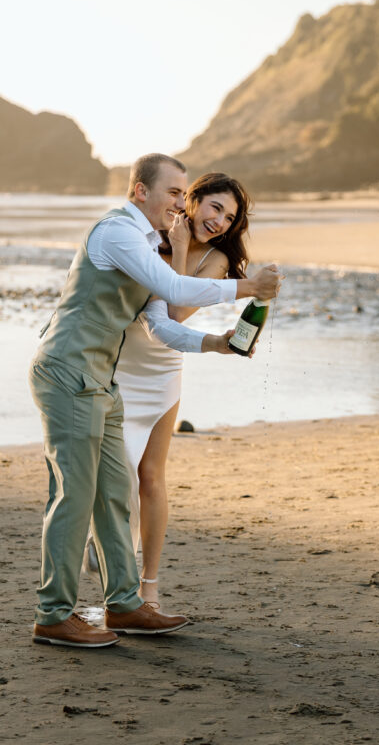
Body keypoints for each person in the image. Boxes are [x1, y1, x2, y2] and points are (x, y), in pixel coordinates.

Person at [29, 153, 281, 648]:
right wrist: (249, 287)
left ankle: (123, 604)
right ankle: (53, 614)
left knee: (115, 493)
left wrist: (216, 343)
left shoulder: (147, 239)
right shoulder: (118, 232)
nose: (179, 203)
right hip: (70, 370)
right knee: (74, 496)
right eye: (173, 193)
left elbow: (161, 321)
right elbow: (170, 286)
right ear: (140, 191)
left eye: (181, 193)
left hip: (104, 376)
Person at [112, 172, 252, 606]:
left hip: (162, 368)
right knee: (115, 479)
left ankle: (148, 589)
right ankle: (112, 577)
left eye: (229, 218)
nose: (220, 222)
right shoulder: (149, 234)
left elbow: (174, 311)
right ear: (193, 199)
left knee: (150, 477)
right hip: (120, 365)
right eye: (215, 208)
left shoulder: (215, 260)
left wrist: (183, 248)